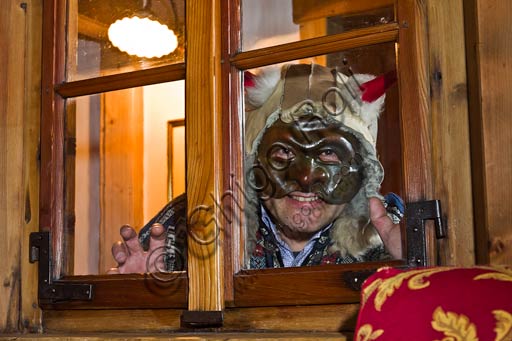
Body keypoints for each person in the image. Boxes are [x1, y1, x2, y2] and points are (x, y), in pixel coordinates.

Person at [108, 63, 403, 274]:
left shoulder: (390, 233)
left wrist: (414, 267)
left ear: (361, 169)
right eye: (284, 152)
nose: (303, 178)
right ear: (254, 161)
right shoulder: (192, 222)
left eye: (327, 153)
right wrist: (142, 296)